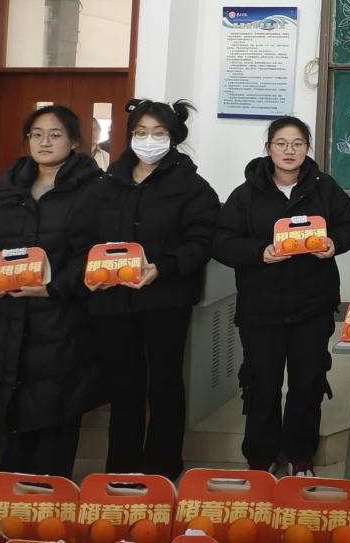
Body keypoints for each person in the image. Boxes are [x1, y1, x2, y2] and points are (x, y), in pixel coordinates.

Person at [214, 116, 350, 477]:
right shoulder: (246, 194)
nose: (289, 151)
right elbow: (222, 241)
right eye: (281, 143)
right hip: (261, 307)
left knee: (307, 382)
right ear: (268, 149)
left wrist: (334, 243)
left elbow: (347, 226)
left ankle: (300, 454)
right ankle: (260, 458)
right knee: (262, 383)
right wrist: (259, 252)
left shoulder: (324, 188)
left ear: (307, 148)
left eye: (297, 143)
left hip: (313, 304)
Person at [87, 99, 219, 480]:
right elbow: (84, 235)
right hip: (113, 300)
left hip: (166, 300)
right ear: (130, 135)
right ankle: (121, 472)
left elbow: (201, 242)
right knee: (123, 388)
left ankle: (162, 469)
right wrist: (90, 268)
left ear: (173, 138)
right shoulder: (107, 184)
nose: (149, 140)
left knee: (164, 385)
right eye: (141, 132)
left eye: (159, 133)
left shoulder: (193, 187)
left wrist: (163, 266)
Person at [0, 105, 102, 476]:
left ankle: (51, 496)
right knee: (11, 410)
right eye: (36, 134)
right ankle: (14, 496)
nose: (44, 142)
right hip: (5, 318)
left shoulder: (93, 190)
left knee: (55, 410)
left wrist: (52, 287)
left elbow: (93, 255)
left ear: (75, 142)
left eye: (55, 134)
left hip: (61, 318)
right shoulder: (9, 187)